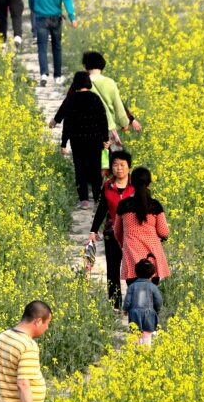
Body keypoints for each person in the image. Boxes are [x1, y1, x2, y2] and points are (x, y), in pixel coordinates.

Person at [88, 148, 134, 307]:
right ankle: (115, 304)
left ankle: (131, 302)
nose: (119, 168)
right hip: (112, 232)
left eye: (122, 165)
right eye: (115, 165)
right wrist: (93, 230)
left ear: (129, 167)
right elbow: (102, 209)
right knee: (113, 269)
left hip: (132, 234)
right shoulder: (108, 185)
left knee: (132, 269)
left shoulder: (136, 186)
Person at [57, 70, 109, 207]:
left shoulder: (71, 100)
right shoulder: (95, 98)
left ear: (75, 84)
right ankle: (97, 199)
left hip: (77, 140)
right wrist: (106, 138)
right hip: (95, 139)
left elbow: (67, 124)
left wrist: (64, 143)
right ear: (88, 83)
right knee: (95, 168)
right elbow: (103, 120)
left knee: (80, 169)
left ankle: (84, 200)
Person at [28, 0, 76, 86]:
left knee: (42, 46)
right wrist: (72, 17)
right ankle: (58, 76)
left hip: (41, 17)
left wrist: (33, 9)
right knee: (57, 47)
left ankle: (43, 73)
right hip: (56, 17)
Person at [115, 166, 170, 284]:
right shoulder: (155, 205)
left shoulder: (123, 205)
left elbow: (117, 232)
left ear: (131, 183)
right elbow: (163, 232)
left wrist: (123, 244)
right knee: (151, 293)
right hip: (152, 258)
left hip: (131, 254)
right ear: (149, 184)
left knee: (133, 291)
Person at [82, 50, 142, 150]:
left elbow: (70, 102)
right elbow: (118, 105)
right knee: (115, 158)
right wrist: (125, 122)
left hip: (86, 130)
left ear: (85, 66)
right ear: (102, 64)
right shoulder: (110, 83)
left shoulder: (80, 83)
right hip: (108, 128)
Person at [122, 258, 163, 346]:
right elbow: (158, 300)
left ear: (136, 273)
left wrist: (125, 309)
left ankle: (136, 349)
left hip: (134, 313)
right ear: (152, 275)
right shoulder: (153, 287)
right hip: (149, 313)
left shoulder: (132, 286)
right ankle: (146, 351)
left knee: (136, 332)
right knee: (147, 333)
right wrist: (157, 309)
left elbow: (127, 300)